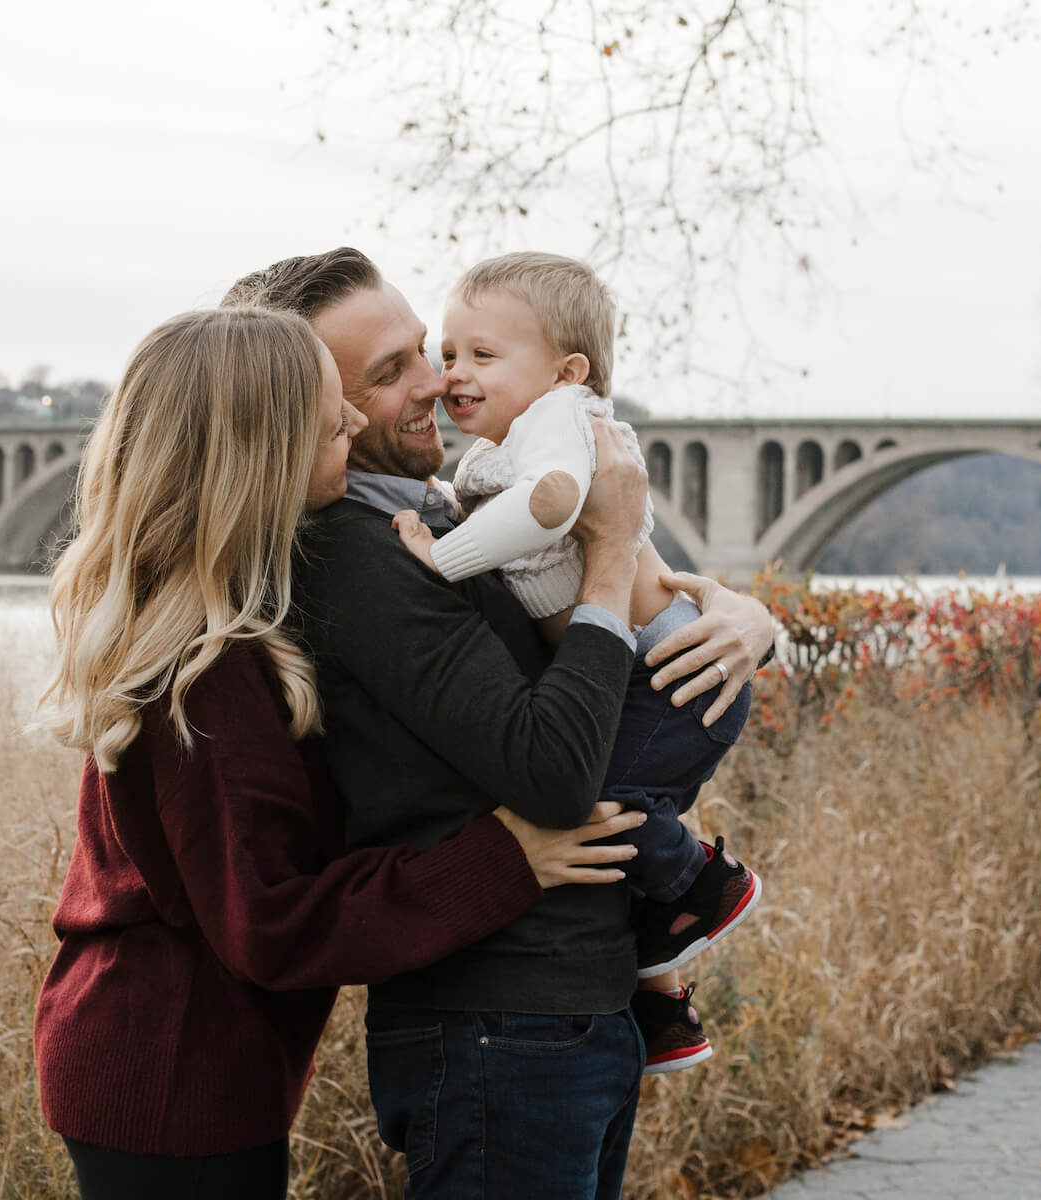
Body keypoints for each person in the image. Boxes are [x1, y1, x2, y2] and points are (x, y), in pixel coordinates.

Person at [29, 306, 646, 1200]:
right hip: (169, 1069)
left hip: (203, 1060)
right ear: (266, 449)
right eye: (333, 416)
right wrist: (503, 859)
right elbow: (270, 922)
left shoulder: (245, 609)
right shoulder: (203, 670)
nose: (355, 426)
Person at [219, 250, 777, 1199]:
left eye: (423, 354)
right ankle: (694, 895)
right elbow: (556, 767)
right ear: (318, 409)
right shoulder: (364, 557)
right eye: (385, 373)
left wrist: (739, 622)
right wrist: (607, 552)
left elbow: (600, 656)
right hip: (498, 1027)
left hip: (562, 1015)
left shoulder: (440, 515)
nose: (436, 382)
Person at [391, 251, 763, 1076]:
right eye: (449, 354)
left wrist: (437, 562)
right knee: (609, 846)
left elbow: (550, 505)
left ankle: (706, 882)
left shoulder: (562, 420)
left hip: (670, 674)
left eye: (483, 356)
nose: (454, 374)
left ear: (566, 371)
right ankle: (661, 1010)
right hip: (650, 668)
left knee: (595, 802)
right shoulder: (501, 446)